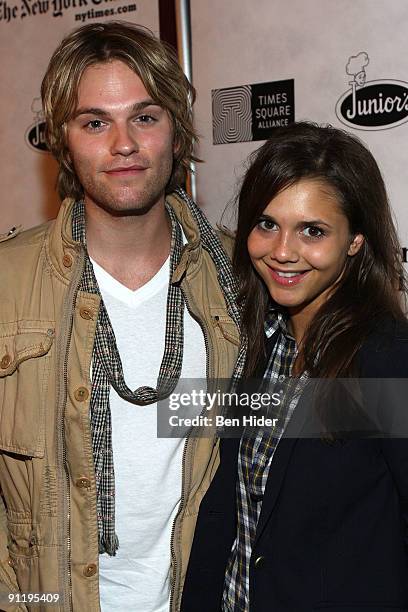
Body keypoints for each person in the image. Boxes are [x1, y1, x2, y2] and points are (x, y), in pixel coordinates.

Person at [0, 21, 244, 612]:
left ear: (177, 133)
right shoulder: (8, 283)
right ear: (63, 139)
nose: (123, 144)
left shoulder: (244, 273)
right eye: (94, 122)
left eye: (145, 116)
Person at [182, 122, 408, 611]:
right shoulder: (259, 344)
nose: (282, 251)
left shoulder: (387, 359)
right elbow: (235, 510)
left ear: (355, 240)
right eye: (267, 223)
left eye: (313, 230)